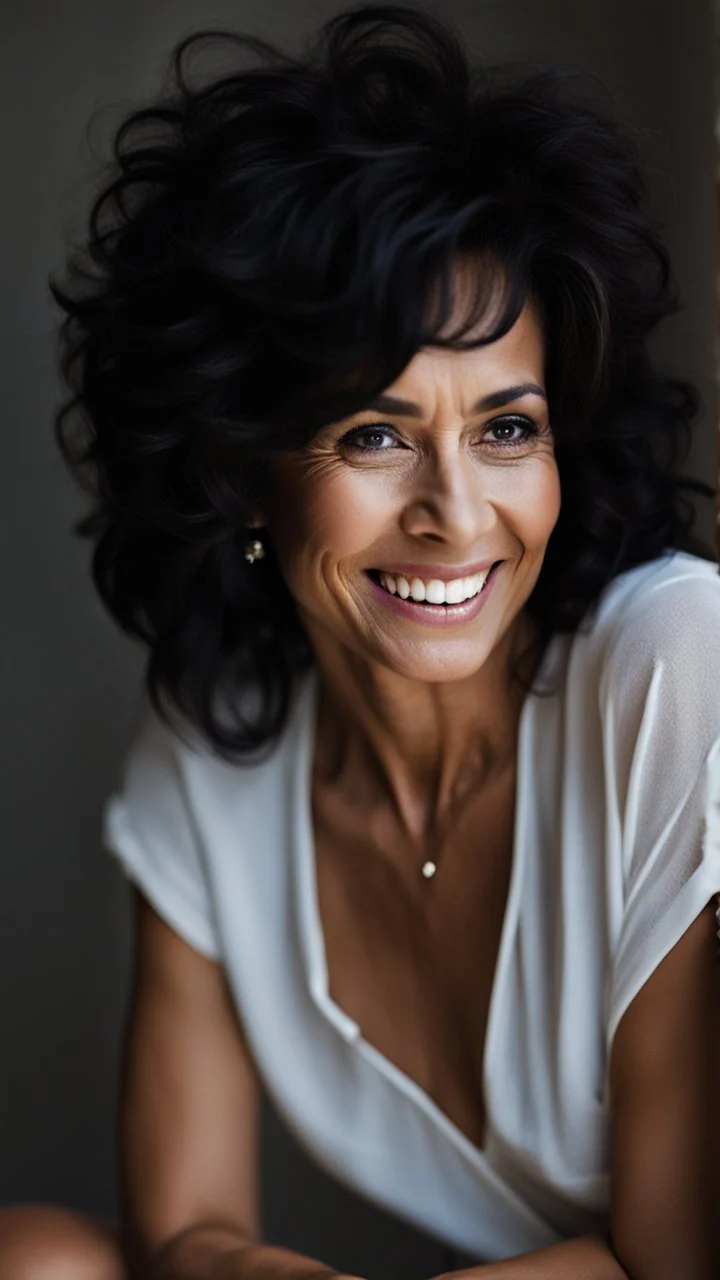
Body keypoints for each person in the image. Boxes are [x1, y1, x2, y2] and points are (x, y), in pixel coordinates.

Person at [2, 4, 720, 1278]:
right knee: (39, 1256)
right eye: (376, 436)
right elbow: (187, 1228)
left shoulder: (675, 664)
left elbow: (678, 1256)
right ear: (244, 471)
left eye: (507, 429)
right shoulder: (215, 748)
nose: (456, 513)